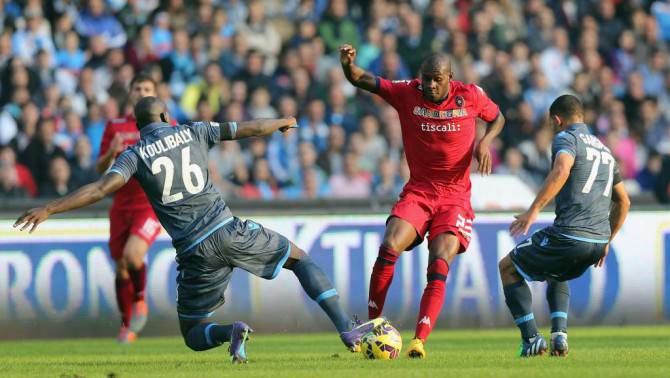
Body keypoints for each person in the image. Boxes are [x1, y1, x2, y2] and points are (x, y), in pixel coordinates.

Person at [14, 97, 380, 363]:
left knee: (192, 334)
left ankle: (230, 331)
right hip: (228, 229)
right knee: (300, 260)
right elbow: (245, 129)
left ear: (139, 125)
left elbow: (98, 189)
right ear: (165, 115)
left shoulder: (134, 155)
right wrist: (280, 121)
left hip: (194, 251)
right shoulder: (192, 131)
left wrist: (50, 207)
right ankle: (346, 325)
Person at [339, 44, 505, 358]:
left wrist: (486, 141)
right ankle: (373, 324)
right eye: (425, 79)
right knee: (389, 246)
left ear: (450, 78)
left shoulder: (470, 96)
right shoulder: (407, 92)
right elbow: (362, 80)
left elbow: (498, 118)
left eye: (436, 80)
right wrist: (348, 65)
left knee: (439, 262)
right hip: (419, 191)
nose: (429, 85)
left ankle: (419, 340)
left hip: (455, 197)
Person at [500, 95, 630, 357]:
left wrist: (533, 210)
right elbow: (624, 201)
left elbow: (561, 170)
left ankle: (531, 339)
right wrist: (607, 241)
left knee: (507, 267)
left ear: (557, 120)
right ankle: (559, 335)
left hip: (570, 235)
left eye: (551, 123)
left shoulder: (566, 138)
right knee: (557, 272)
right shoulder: (605, 150)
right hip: (596, 243)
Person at [95, 74, 162, 343]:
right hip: (120, 205)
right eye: (138, 88)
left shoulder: (164, 124)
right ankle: (127, 326)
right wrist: (110, 152)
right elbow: (99, 169)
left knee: (134, 255)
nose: (142, 92)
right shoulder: (115, 126)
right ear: (130, 93)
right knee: (121, 266)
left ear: (156, 94)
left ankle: (141, 300)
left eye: (148, 88)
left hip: (148, 204)